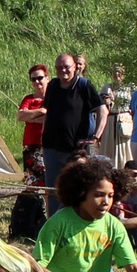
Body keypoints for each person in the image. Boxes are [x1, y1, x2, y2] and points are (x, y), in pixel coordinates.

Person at [39, 55, 101, 215]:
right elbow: (48, 112)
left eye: (66, 66)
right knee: (52, 189)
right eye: (59, 67)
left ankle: (76, 220)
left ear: (75, 67)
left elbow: (102, 110)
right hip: (51, 146)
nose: (63, 70)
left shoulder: (83, 85)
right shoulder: (52, 85)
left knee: (77, 187)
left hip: (75, 148)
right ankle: (54, 224)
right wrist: (43, 135)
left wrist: (95, 136)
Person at [17, 63, 50, 170]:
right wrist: (41, 111)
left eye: (40, 78)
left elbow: (52, 118)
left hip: (50, 144)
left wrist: (31, 118)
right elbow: (21, 115)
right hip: (31, 143)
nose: (36, 82)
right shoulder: (29, 99)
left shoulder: (53, 98)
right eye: (33, 79)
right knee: (32, 179)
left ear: (47, 78)